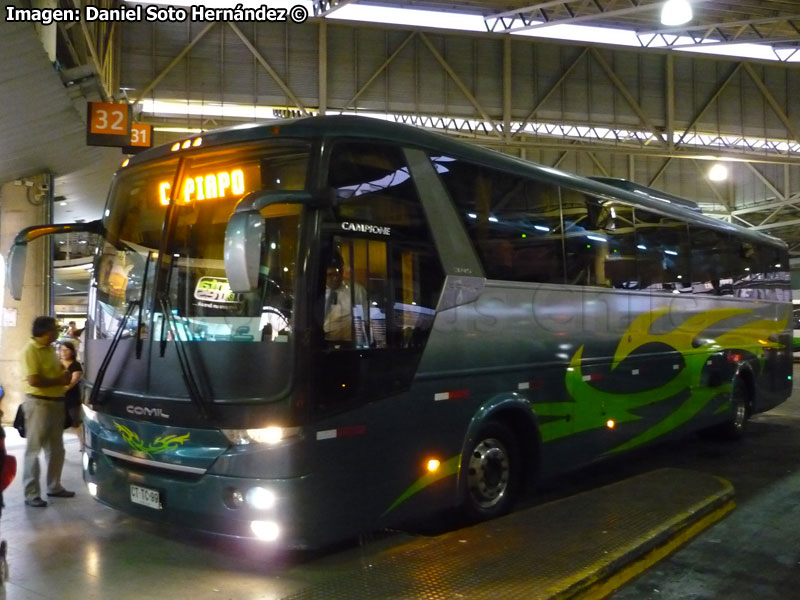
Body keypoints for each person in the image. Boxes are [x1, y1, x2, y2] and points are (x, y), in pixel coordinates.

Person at [22, 316, 74, 508]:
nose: (57, 331)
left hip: (56, 403)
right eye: (54, 328)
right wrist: (59, 381)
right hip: (39, 405)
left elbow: (60, 370)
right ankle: (31, 494)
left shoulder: (51, 350)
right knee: (33, 450)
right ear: (46, 331)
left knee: (56, 449)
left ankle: (54, 486)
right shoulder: (30, 351)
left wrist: (65, 374)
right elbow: (33, 381)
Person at [323, 253, 370, 347]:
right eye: (330, 275)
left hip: (348, 345)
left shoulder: (356, 291)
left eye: (338, 273)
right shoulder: (315, 291)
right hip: (322, 344)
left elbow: (366, 318)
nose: (336, 278)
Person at [58, 341, 84, 452]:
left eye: (66, 350)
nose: (63, 352)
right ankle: (57, 446)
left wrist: (57, 390)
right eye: (61, 350)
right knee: (57, 423)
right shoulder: (56, 363)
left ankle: (83, 444)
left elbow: (73, 382)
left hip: (72, 398)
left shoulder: (75, 365)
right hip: (58, 398)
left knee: (75, 422)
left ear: (72, 351)